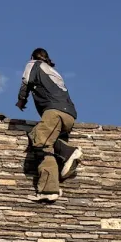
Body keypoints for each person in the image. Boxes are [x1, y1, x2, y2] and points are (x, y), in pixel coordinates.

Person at [16, 48, 81, 203]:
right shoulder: (53, 71)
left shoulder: (34, 64)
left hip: (53, 112)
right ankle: (51, 187)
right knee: (47, 148)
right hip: (69, 115)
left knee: (39, 140)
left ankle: (67, 153)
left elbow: (26, 82)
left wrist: (21, 100)